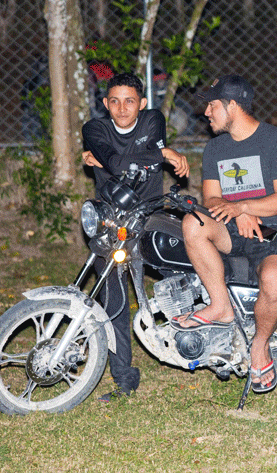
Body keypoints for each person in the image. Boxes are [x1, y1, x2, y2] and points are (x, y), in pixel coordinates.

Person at [173, 74, 277, 394]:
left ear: (232, 106)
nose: (206, 112)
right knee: (193, 222)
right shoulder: (215, 148)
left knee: (274, 278)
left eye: (212, 105)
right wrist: (238, 211)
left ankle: (260, 345)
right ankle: (221, 306)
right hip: (233, 228)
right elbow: (211, 200)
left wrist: (244, 207)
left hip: (276, 231)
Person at [81, 73, 190, 401]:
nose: (122, 108)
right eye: (114, 101)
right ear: (105, 103)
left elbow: (116, 161)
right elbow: (117, 164)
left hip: (151, 214)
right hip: (112, 220)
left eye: (130, 101)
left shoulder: (153, 120)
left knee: (184, 274)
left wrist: (108, 161)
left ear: (142, 103)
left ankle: (200, 337)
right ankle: (124, 377)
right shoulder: (94, 129)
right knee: (112, 299)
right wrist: (163, 154)